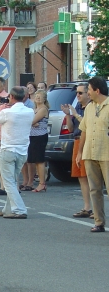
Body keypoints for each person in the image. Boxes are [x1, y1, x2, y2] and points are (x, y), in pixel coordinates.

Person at [0, 86, 34, 219]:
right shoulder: (30, 111)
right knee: (13, 180)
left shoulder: (7, 112)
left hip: (8, 149)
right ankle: (8, 208)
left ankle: (19, 209)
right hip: (22, 150)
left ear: (12, 97)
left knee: (8, 182)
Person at [76, 76, 109, 233]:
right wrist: (80, 152)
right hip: (90, 152)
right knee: (95, 189)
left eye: (89, 89)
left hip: (106, 153)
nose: (87, 93)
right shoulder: (89, 107)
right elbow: (84, 130)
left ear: (97, 90)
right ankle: (99, 222)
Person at [60, 83, 92, 218]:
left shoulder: (91, 107)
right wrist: (68, 115)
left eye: (80, 93)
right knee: (81, 176)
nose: (77, 95)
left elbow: (88, 125)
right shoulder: (78, 107)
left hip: (88, 142)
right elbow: (71, 128)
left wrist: (76, 114)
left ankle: (96, 208)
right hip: (77, 140)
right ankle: (87, 207)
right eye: (76, 93)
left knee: (91, 176)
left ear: (88, 94)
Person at [26, 90, 49, 192]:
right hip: (32, 136)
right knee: (33, 160)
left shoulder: (43, 109)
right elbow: (29, 121)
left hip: (40, 136)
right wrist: (31, 122)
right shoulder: (34, 109)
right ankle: (33, 182)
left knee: (39, 160)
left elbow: (31, 121)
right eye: (37, 96)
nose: (38, 97)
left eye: (40, 96)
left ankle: (42, 183)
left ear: (44, 99)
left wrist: (32, 122)